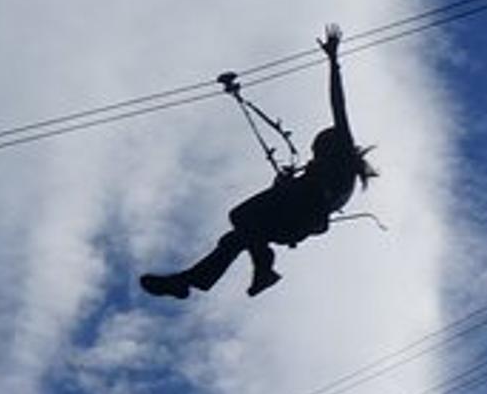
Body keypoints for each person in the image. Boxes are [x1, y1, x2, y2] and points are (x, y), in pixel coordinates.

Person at [140, 24, 373, 299]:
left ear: (330, 144)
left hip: (304, 213)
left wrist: (333, 61)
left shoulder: (342, 154)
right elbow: (290, 197)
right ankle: (190, 281)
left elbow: (338, 105)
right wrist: (282, 185)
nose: (313, 154)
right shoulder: (324, 175)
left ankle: (263, 269)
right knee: (237, 237)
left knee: (240, 217)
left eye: (317, 148)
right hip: (295, 219)